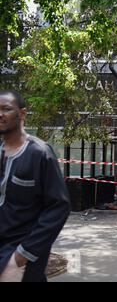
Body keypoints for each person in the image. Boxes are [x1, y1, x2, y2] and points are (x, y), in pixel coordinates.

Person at [0, 89, 71, 282]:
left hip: (22, 258)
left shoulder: (39, 153)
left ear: (22, 114)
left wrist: (22, 255)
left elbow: (59, 207)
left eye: (6, 109)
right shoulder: (1, 152)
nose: (0, 114)